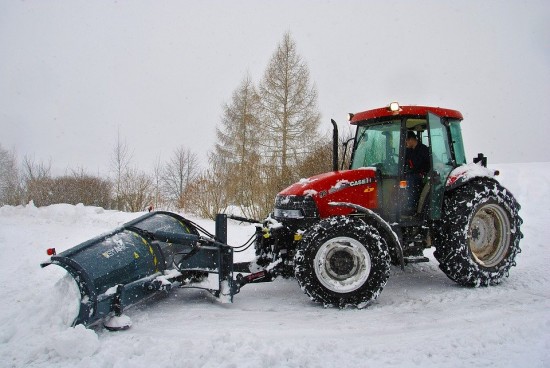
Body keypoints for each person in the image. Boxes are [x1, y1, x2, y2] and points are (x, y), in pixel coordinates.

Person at [403, 130, 430, 215]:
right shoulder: (409, 150)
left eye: (406, 141)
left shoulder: (423, 149)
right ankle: (404, 204)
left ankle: (412, 207)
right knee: (402, 177)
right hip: (412, 173)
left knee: (411, 179)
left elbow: (429, 163)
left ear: (411, 139)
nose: (405, 143)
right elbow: (404, 162)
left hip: (423, 174)